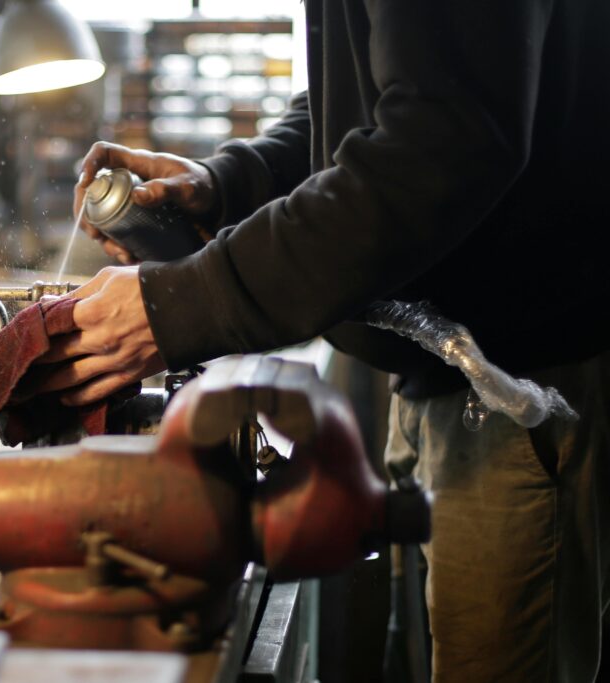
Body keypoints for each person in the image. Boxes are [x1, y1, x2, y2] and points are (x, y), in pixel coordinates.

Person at [34, 0, 610, 681]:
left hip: (522, 394)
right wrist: (231, 182)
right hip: (443, 383)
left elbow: (442, 139)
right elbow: (370, 100)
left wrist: (185, 303)